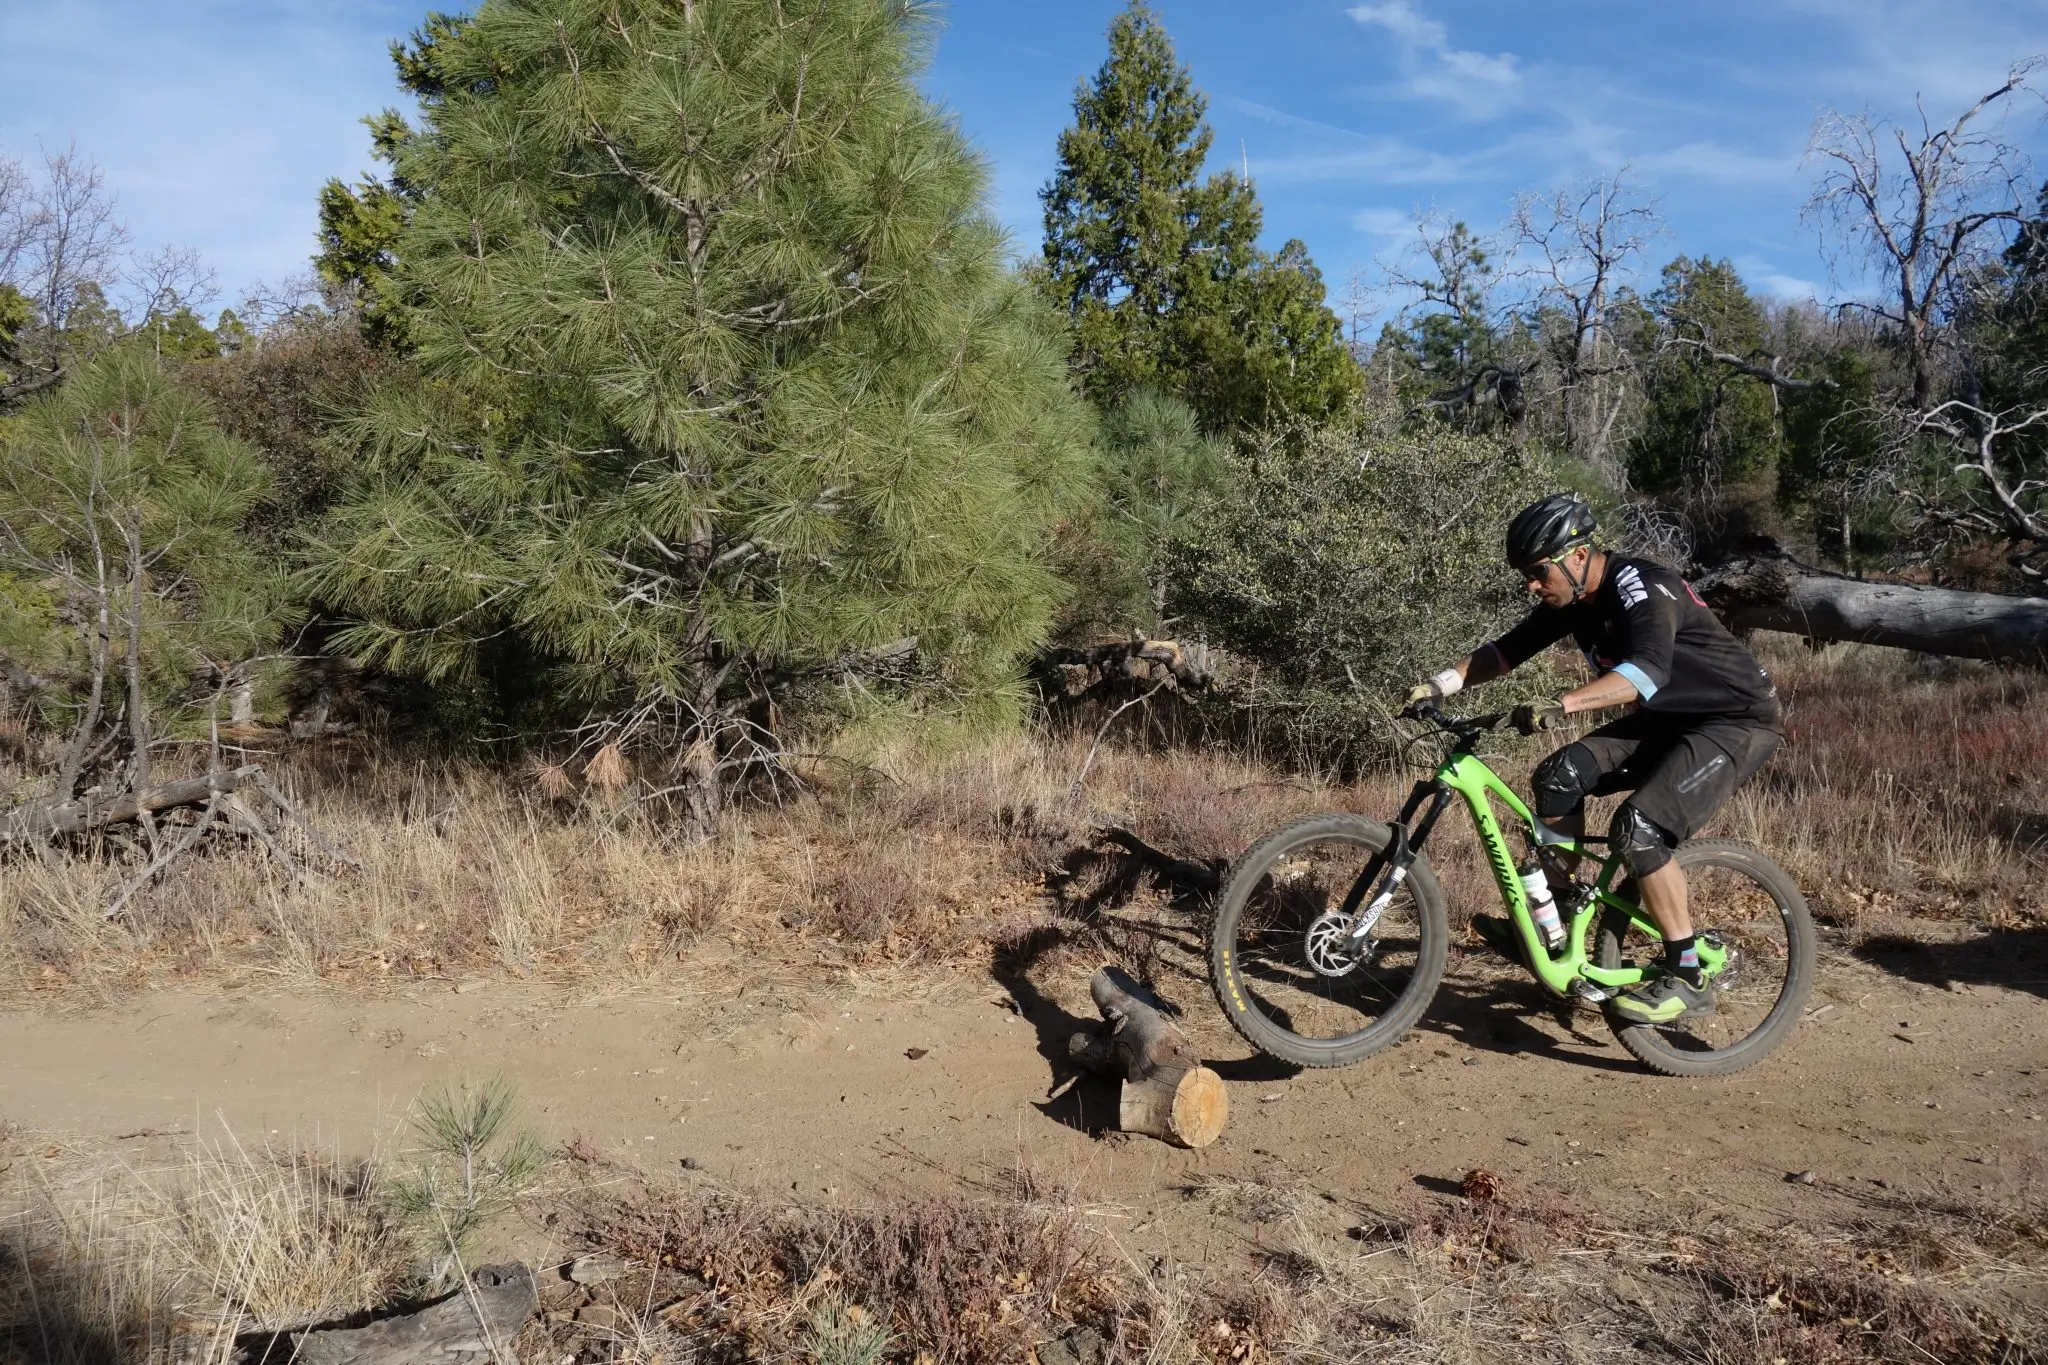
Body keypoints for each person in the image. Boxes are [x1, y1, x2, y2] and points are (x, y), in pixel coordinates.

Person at [1407, 493, 1783, 1024]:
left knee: (1639, 829)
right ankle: (1557, 920)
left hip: (1734, 721)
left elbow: (1646, 673)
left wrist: (1561, 705)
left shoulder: (1643, 588)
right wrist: (1439, 684)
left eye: (1538, 572)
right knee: (1559, 776)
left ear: (1578, 556)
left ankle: (1689, 975)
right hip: (1668, 718)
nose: (1532, 585)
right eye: (1526, 575)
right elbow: (1507, 651)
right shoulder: (1573, 599)